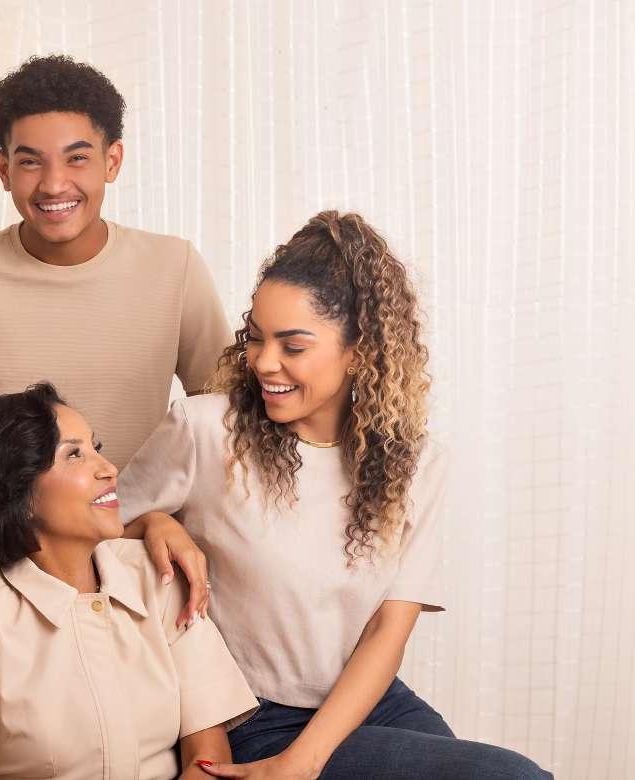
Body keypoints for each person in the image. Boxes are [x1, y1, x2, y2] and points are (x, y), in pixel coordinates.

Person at [120, 212, 550, 778]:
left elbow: (387, 629)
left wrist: (302, 763)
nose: (263, 362)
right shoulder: (205, 429)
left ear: (359, 352)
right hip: (251, 715)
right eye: (256, 338)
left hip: (368, 699)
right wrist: (153, 521)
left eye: (293, 346)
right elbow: (92, 529)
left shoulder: (416, 463)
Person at [0, 383, 258, 779]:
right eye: (74, 454)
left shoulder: (158, 575)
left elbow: (208, 753)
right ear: (18, 496)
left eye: (95, 447)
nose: (109, 468)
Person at [0, 54, 231, 473]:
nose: (53, 184)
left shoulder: (176, 268)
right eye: (30, 162)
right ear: (4, 170)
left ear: (112, 161)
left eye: (77, 158)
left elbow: (225, 422)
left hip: (139, 514)